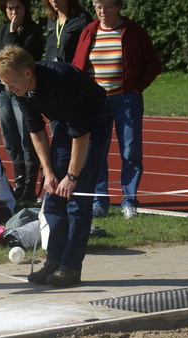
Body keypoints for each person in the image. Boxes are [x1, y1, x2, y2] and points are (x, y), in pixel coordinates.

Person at [0, 45, 112, 287]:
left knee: (76, 198)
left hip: (93, 120)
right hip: (66, 123)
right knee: (54, 194)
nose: (8, 89)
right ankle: (53, 261)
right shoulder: (21, 91)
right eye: (4, 83)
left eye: (11, 82)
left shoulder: (61, 79)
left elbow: (82, 133)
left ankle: (70, 267)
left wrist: (72, 175)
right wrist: (48, 173)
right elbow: (36, 130)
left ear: (27, 73)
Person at [72, 0, 162, 219]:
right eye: (98, 6)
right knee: (97, 152)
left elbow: (154, 63)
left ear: (119, 6)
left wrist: (137, 87)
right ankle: (98, 201)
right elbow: (77, 64)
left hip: (126, 100)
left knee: (130, 151)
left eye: (107, 6)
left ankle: (129, 200)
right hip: (96, 102)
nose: (102, 11)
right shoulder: (89, 31)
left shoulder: (134, 31)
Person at [0, 0, 44, 204]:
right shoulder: (3, 29)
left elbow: (19, 58)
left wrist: (13, 33)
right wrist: (9, 32)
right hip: (3, 90)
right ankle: (19, 182)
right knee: (11, 141)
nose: (13, 12)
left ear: (25, 8)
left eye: (17, 8)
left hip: (22, 90)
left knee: (27, 139)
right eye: (10, 8)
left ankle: (30, 186)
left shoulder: (33, 30)